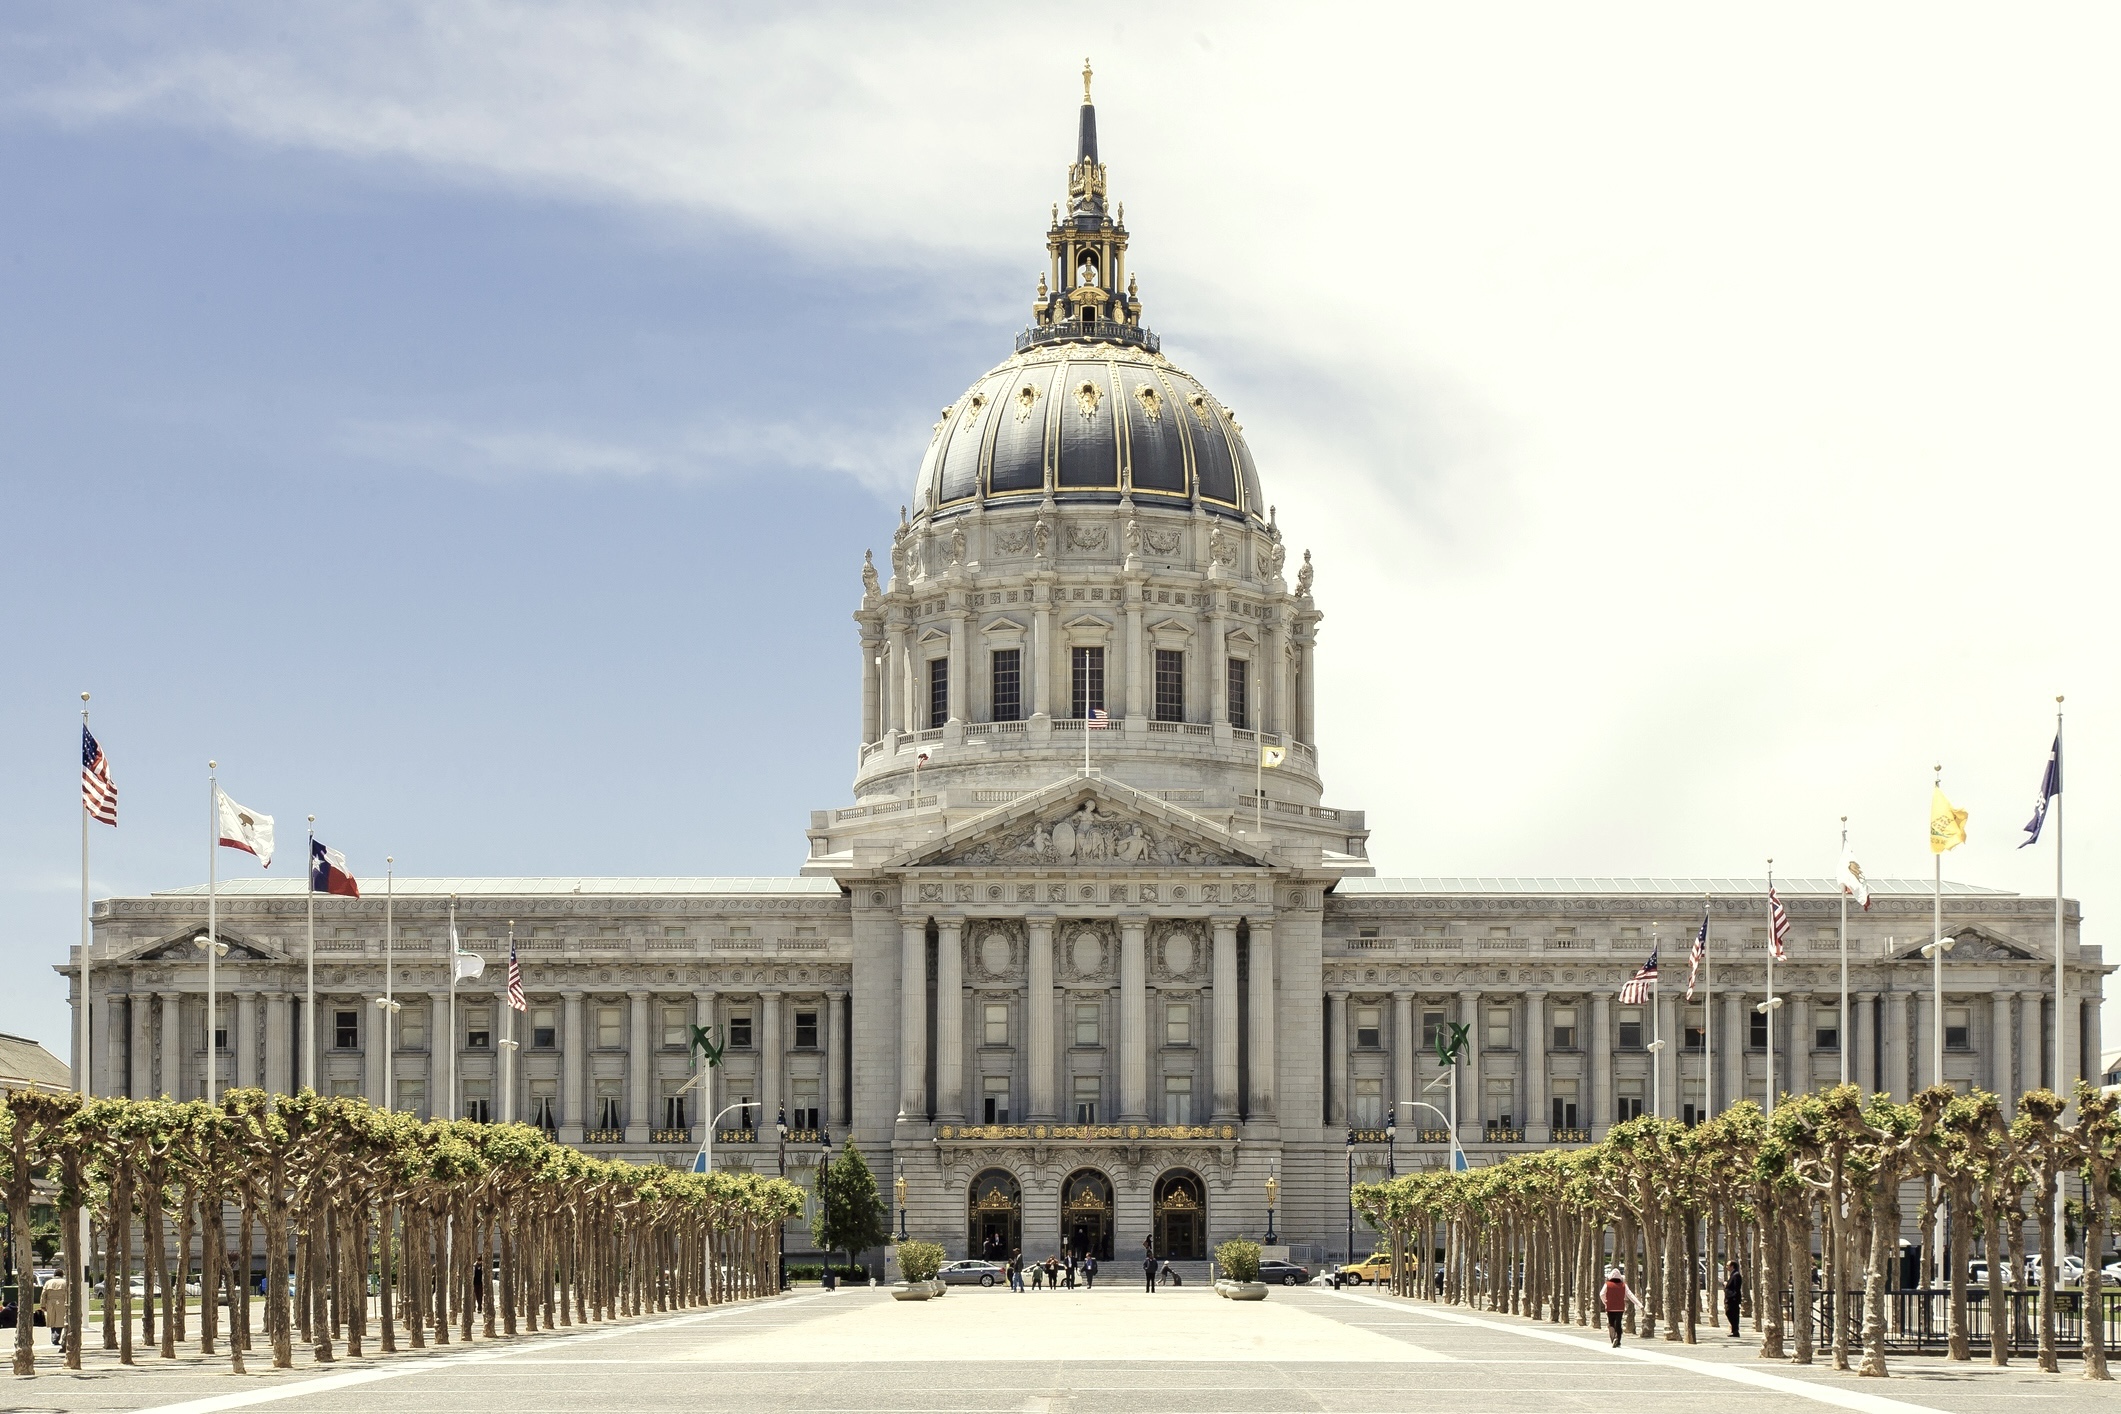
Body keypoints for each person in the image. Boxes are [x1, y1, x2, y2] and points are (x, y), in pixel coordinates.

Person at [1600, 1266, 1631, 1348]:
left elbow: (1601, 1294)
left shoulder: (1607, 1284)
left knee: (1611, 1324)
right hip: (1620, 1308)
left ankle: (1613, 1338)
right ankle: (1618, 1340)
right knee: (1618, 1323)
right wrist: (1640, 1305)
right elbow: (1630, 1295)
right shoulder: (1623, 1285)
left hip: (1610, 1307)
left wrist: (1605, 1302)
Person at [40, 1270, 69, 1350]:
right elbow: (67, 1294)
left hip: (50, 1303)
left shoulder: (48, 1282)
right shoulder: (64, 1282)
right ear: (62, 1275)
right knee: (60, 1320)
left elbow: (43, 1294)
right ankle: (56, 1337)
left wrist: (42, 1304)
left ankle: (53, 1336)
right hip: (61, 1302)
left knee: (52, 1320)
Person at [1723, 1260, 1744, 1338]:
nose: (1726, 1267)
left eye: (1728, 1265)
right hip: (1730, 1298)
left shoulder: (1736, 1275)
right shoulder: (1733, 1274)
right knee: (1729, 1313)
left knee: (1732, 1314)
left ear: (1732, 1266)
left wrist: (1726, 1285)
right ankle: (1734, 1330)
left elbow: (1736, 1288)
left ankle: (1735, 1331)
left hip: (1733, 1299)